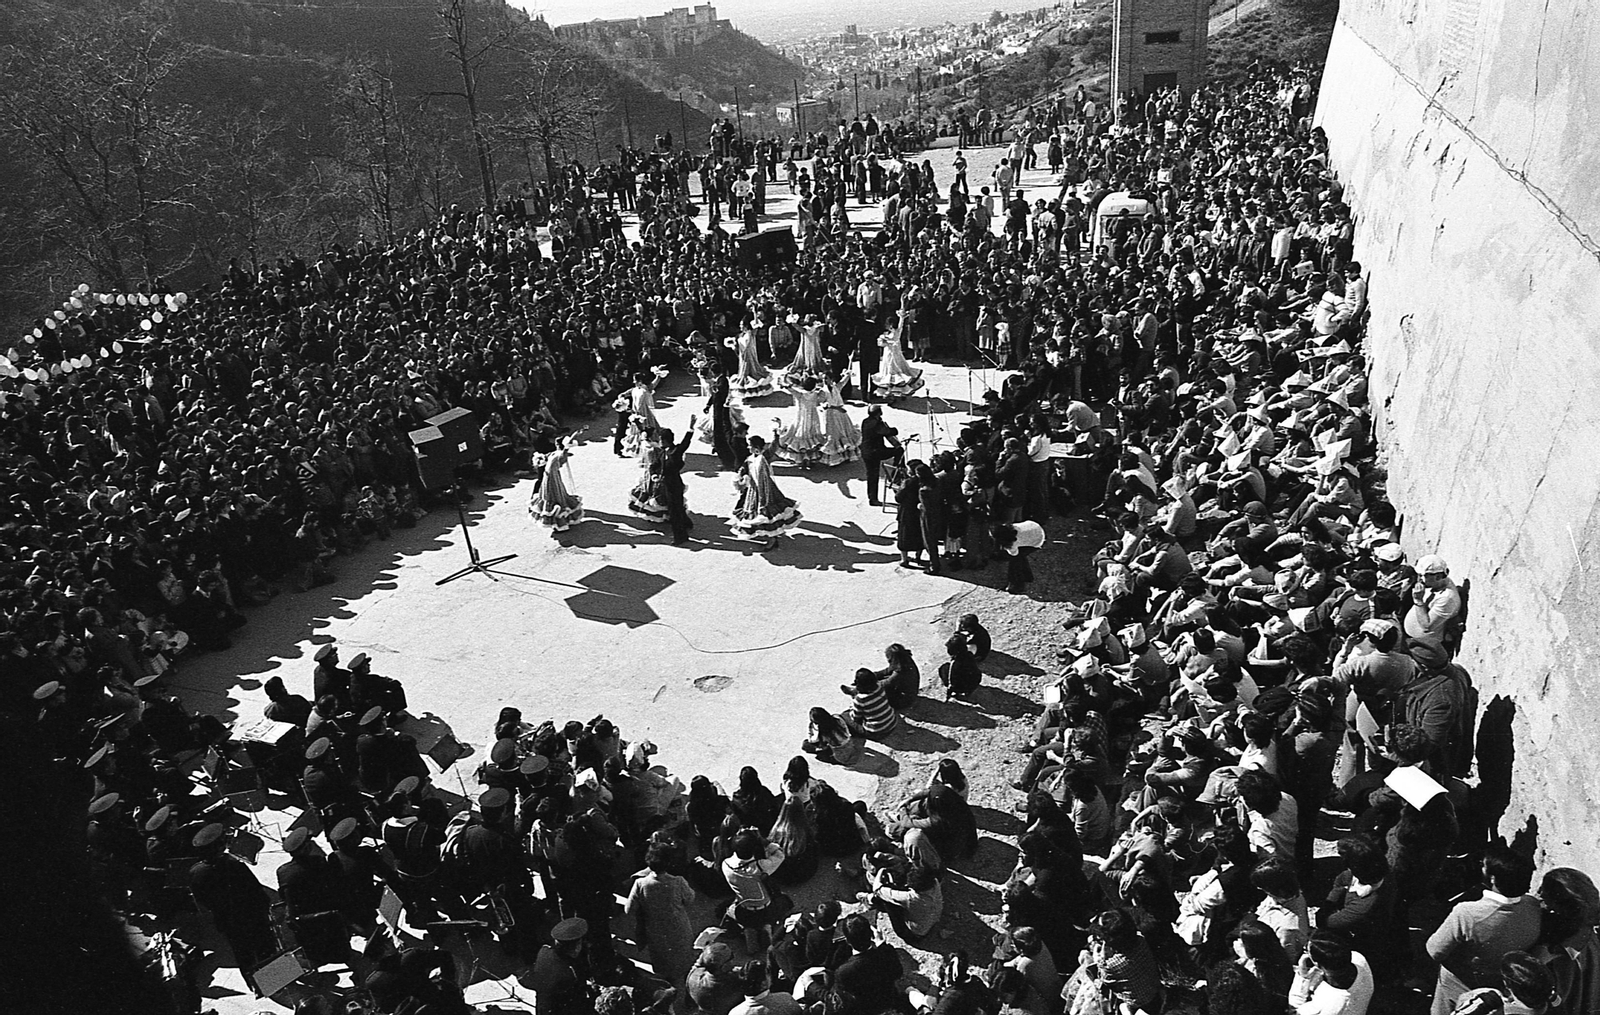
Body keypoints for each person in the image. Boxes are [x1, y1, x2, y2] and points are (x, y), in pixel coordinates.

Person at [1427, 845, 1542, 1015]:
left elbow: (1434, 950)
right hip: (1501, 982)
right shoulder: (1532, 905)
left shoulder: (1467, 913)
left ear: (1493, 879)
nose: (1481, 868)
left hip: (1461, 981)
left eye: (1484, 866)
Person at [626, 842, 697, 989]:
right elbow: (690, 899)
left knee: (662, 956)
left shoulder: (640, 883)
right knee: (682, 954)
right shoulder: (678, 882)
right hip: (679, 927)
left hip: (655, 929)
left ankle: (668, 981)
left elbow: (629, 909)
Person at [730, 436, 801, 550]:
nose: (749, 448)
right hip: (754, 491)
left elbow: (773, 447)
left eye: (750, 446)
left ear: (756, 447)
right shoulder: (749, 459)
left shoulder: (764, 457)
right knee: (759, 515)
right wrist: (740, 476)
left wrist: (776, 434)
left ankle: (773, 539)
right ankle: (770, 536)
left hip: (767, 492)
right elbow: (744, 470)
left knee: (767, 515)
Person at [1289, 933, 1374, 1015]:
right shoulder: (1358, 958)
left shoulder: (1324, 1006)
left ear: (1317, 964)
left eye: (1306, 951)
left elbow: (1294, 1010)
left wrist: (1302, 977)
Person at [529, 439, 584, 533]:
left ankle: (561, 521)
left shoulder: (553, 454)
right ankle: (558, 524)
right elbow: (563, 452)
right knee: (556, 499)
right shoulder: (558, 456)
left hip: (549, 479)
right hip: (553, 481)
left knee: (555, 498)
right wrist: (568, 445)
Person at [776, 376, 827, 466]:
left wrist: (786, 384)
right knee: (811, 434)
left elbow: (791, 389)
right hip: (813, 417)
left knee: (799, 433)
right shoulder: (816, 395)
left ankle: (801, 458)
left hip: (801, 417)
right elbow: (823, 397)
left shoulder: (801, 395)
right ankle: (810, 457)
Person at [872, 313, 925, 399]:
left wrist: (901, 317)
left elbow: (901, 325)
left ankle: (899, 392)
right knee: (888, 372)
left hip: (895, 354)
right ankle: (891, 393)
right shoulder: (886, 333)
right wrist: (883, 341)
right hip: (887, 354)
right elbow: (881, 344)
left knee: (896, 372)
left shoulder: (897, 331)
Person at [658, 426, 696, 545]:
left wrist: (690, 430)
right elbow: (656, 465)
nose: (660, 442)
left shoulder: (675, 451)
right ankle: (686, 523)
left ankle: (680, 537)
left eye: (661, 440)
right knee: (677, 508)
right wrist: (654, 473)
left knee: (674, 511)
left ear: (666, 441)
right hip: (667, 484)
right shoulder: (663, 452)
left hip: (674, 484)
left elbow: (685, 444)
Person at [861, 404, 902, 506]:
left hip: (866, 451)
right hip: (875, 452)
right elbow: (889, 431)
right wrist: (894, 429)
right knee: (899, 451)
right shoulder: (877, 424)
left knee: (871, 476)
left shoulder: (865, 421)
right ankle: (897, 471)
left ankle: (872, 498)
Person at [841, 667, 899, 737]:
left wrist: (852, 710)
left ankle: (853, 693)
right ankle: (853, 692)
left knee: (844, 716)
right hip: (892, 723)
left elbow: (855, 718)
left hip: (877, 732)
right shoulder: (880, 687)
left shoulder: (860, 699)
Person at [819, 373, 862, 466]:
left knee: (844, 432)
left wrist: (847, 374)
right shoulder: (822, 391)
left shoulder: (836, 387)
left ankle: (846, 454)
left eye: (826, 378)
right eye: (823, 379)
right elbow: (821, 403)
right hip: (830, 416)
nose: (825, 381)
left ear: (831, 379)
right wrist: (827, 406)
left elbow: (844, 381)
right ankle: (835, 458)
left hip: (841, 415)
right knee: (833, 434)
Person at [998, 519, 1046, 595]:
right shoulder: (1012, 528)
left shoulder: (1013, 543)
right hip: (1035, 528)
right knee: (1021, 556)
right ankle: (1027, 576)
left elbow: (1014, 554)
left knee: (1015, 561)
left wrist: (1005, 549)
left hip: (1037, 541)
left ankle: (1017, 585)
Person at [938, 634, 982, 700]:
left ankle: (958, 692)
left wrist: (949, 692)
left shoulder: (955, 663)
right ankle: (969, 692)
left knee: (943, 668)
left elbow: (951, 679)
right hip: (974, 683)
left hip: (961, 686)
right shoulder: (970, 655)